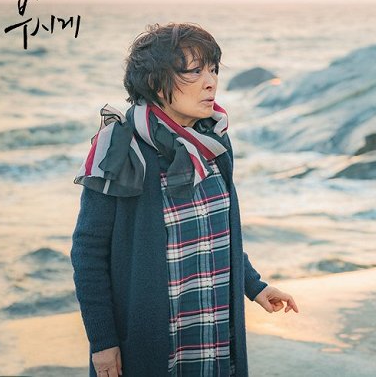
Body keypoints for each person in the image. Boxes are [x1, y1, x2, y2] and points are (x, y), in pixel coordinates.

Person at [71, 23, 299, 377]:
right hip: (154, 345)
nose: (211, 82)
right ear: (155, 82)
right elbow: (88, 252)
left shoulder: (214, 144)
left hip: (213, 334)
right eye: (195, 71)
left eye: (213, 70)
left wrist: (254, 285)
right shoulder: (120, 149)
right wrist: (103, 341)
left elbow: (216, 234)